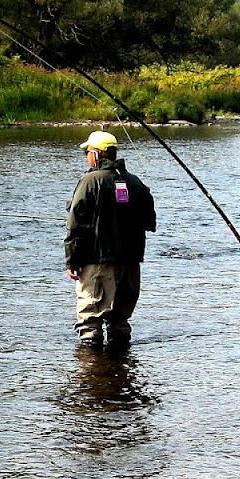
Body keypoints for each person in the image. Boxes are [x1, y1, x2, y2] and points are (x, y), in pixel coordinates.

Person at [63, 130, 156, 348]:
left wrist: (71, 260)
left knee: (91, 321)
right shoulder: (135, 182)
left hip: (97, 260)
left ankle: (92, 374)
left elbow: (74, 224)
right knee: (119, 321)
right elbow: (150, 222)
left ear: (96, 155)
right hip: (130, 262)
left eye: (88, 152)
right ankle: (119, 369)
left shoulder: (89, 181)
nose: (87, 156)